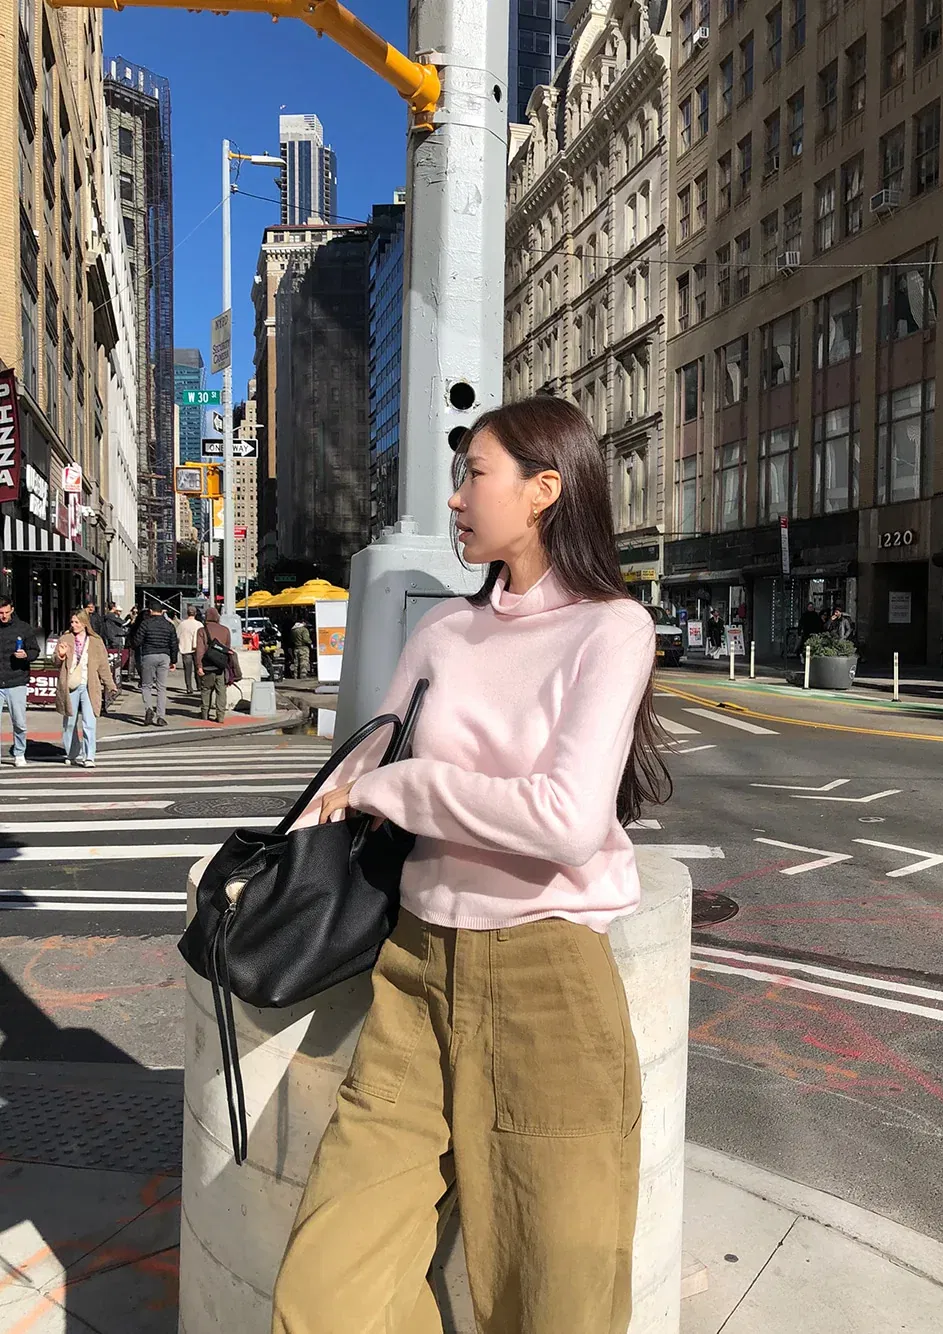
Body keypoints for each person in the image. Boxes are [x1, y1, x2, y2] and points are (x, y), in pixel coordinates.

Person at [272, 396, 670, 1334]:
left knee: (556, 1302)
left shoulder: (611, 629)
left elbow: (568, 822)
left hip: (548, 981)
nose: (454, 500)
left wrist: (404, 788)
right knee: (326, 1294)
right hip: (414, 971)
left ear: (544, 488)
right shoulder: (441, 633)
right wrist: (361, 793)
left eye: (474, 476)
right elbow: (359, 775)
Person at [54, 609, 116, 766]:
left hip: (90, 685)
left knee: (89, 722)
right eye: (72, 622)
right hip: (70, 685)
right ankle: (72, 753)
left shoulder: (96, 641)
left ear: (84, 623)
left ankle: (89, 756)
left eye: (77, 622)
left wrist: (110, 684)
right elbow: (55, 661)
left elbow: (103, 665)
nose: (74, 625)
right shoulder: (65, 638)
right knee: (69, 722)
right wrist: (61, 655)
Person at [0, 596, 40, 768]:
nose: (3, 616)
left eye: (6, 612)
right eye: (0, 613)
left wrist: (26, 655)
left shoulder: (23, 628)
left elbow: (35, 650)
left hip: (16, 680)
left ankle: (19, 752)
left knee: (19, 722)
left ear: (12, 610)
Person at [135, 607, 178, 727]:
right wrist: (173, 660)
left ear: (150, 611)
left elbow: (137, 641)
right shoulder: (169, 625)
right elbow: (174, 643)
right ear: (162, 612)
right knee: (161, 687)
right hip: (164, 656)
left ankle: (148, 709)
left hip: (148, 655)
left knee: (146, 685)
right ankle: (161, 716)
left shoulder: (145, 624)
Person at [195, 607, 233, 723]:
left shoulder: (202, 631)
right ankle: (220, 716)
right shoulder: (225, 630)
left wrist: (199, 666)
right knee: (221, 691)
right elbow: (227, 649)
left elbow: (200, 650)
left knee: (206, 690)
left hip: (207, 665)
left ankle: (204, 714)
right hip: (220, 666)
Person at [177, 605, 202, 694]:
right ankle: (199, 685)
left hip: (185, 649)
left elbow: (177, 635)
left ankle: (189, 687)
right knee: (198, 667)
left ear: (187, 613)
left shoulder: (182, 624)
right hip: (197, 649)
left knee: (187, 670)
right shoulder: (199, 624)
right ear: (195, 613)